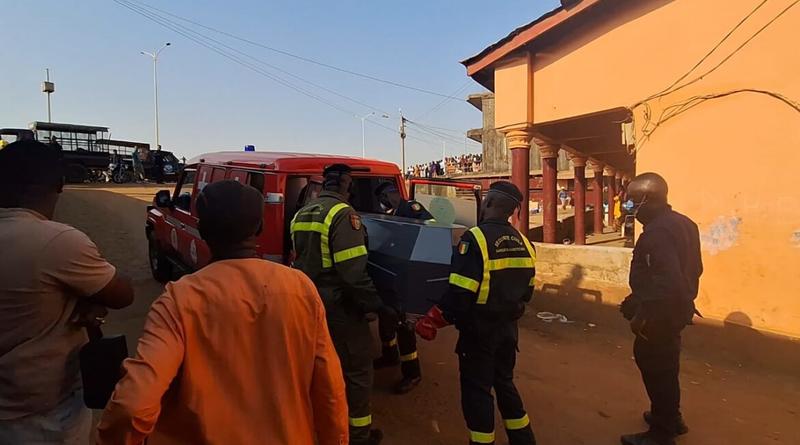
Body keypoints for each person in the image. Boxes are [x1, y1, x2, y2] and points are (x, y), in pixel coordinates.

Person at [97, 180, 348, 445]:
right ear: (259, 228)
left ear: (202, 230)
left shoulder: (179, 300)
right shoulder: (301, 288)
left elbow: (133, 405)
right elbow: (329, 388)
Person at [0, 140, 134, 444]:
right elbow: (123, 295)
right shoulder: (58, 241)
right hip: (41, 414)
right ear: (60, 184)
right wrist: (86, 298)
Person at [416, 181, 537, 445]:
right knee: (504, 383)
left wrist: (433, 319)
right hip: (508, 331)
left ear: (490, 204)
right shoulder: (526, 243)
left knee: (477, 391)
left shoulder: (475, 239)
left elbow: (460, 294)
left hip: (479, 333)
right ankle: (524, 439)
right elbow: (527, 293)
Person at [291, 164, 384, 445]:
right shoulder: (344, 215)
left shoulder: (302, 213)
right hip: (339, 306)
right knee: (356, 369)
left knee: (317, 366)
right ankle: (358, 435)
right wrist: (376, 304)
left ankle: (315, 426)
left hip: (307, 302)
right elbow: (352, 273)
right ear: (345, 183)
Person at [619, 172, 702, 445]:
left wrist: (641, 309)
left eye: (632, 200)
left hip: (660, 315)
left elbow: (666, 281)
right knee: (668, 366)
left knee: (655, 368)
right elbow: (693, 269)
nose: (628, 206)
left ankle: (661, 433)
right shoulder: (684, 224)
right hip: (678, 309)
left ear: (648, 199)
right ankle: (670, 418)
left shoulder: (657, 233)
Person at [371, 182, 431, 394]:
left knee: (403, 324)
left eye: (388, 196)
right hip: (390, 272)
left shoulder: (411, 208)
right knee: (386, 316)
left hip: (408, 273)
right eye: (383, 198)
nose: (386, 201)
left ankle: (412, 373)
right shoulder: (388, 213)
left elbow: (431, 228)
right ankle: (389, 355)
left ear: (395, 194)